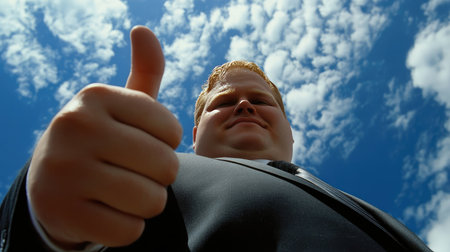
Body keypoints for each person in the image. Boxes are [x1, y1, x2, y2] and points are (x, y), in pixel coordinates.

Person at [0, 26, 430, 252]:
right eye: (224, 103)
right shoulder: (143, 182)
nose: (244, 106)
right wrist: (39, 220)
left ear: (289, 129)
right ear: (194, 133)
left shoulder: (375, 217)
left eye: (260, 100)